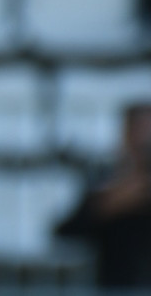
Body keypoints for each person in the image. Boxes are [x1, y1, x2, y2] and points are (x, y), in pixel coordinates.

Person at [54, 101, 151, 288]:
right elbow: (66, 232)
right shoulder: (107, 181)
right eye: (137, 131)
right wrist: (108, 205)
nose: (143, 141)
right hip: (117, 285)